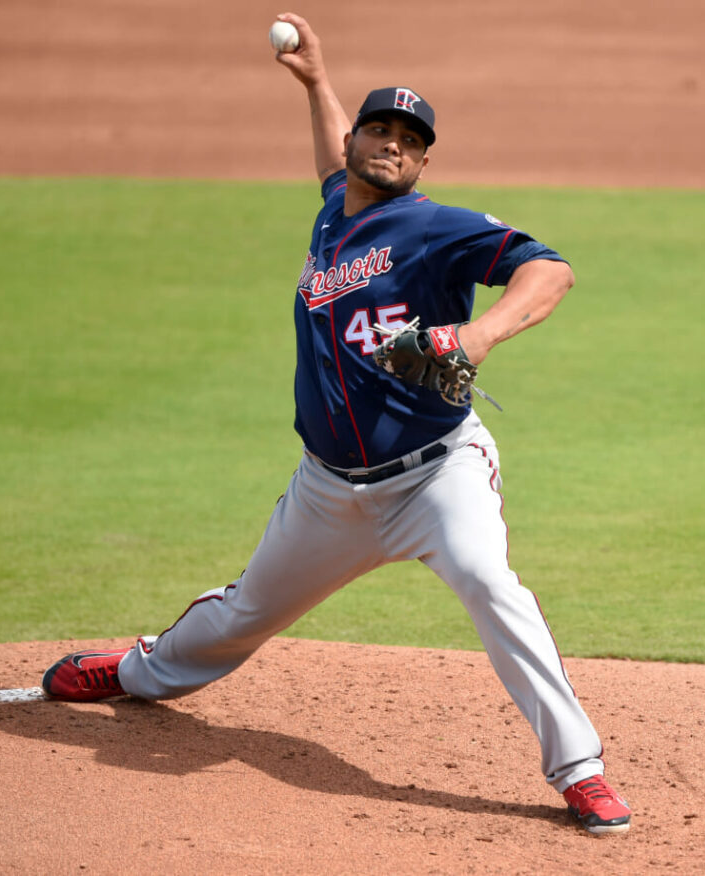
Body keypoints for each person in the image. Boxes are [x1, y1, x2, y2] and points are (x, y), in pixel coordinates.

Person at [41, 11, 631, 835]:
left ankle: (582, 770)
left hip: (437, 473)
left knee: (492, 587)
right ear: (355, 139)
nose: (391, 142)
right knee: (247, 611)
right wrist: (318, 81)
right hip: (329, 490)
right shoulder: (334, 213)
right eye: (378, 128)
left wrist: (478, 333)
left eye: (408, 139)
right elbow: (329, 165)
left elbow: (550, 269)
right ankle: (139, 674)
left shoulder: (433, 225)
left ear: (423, 161)